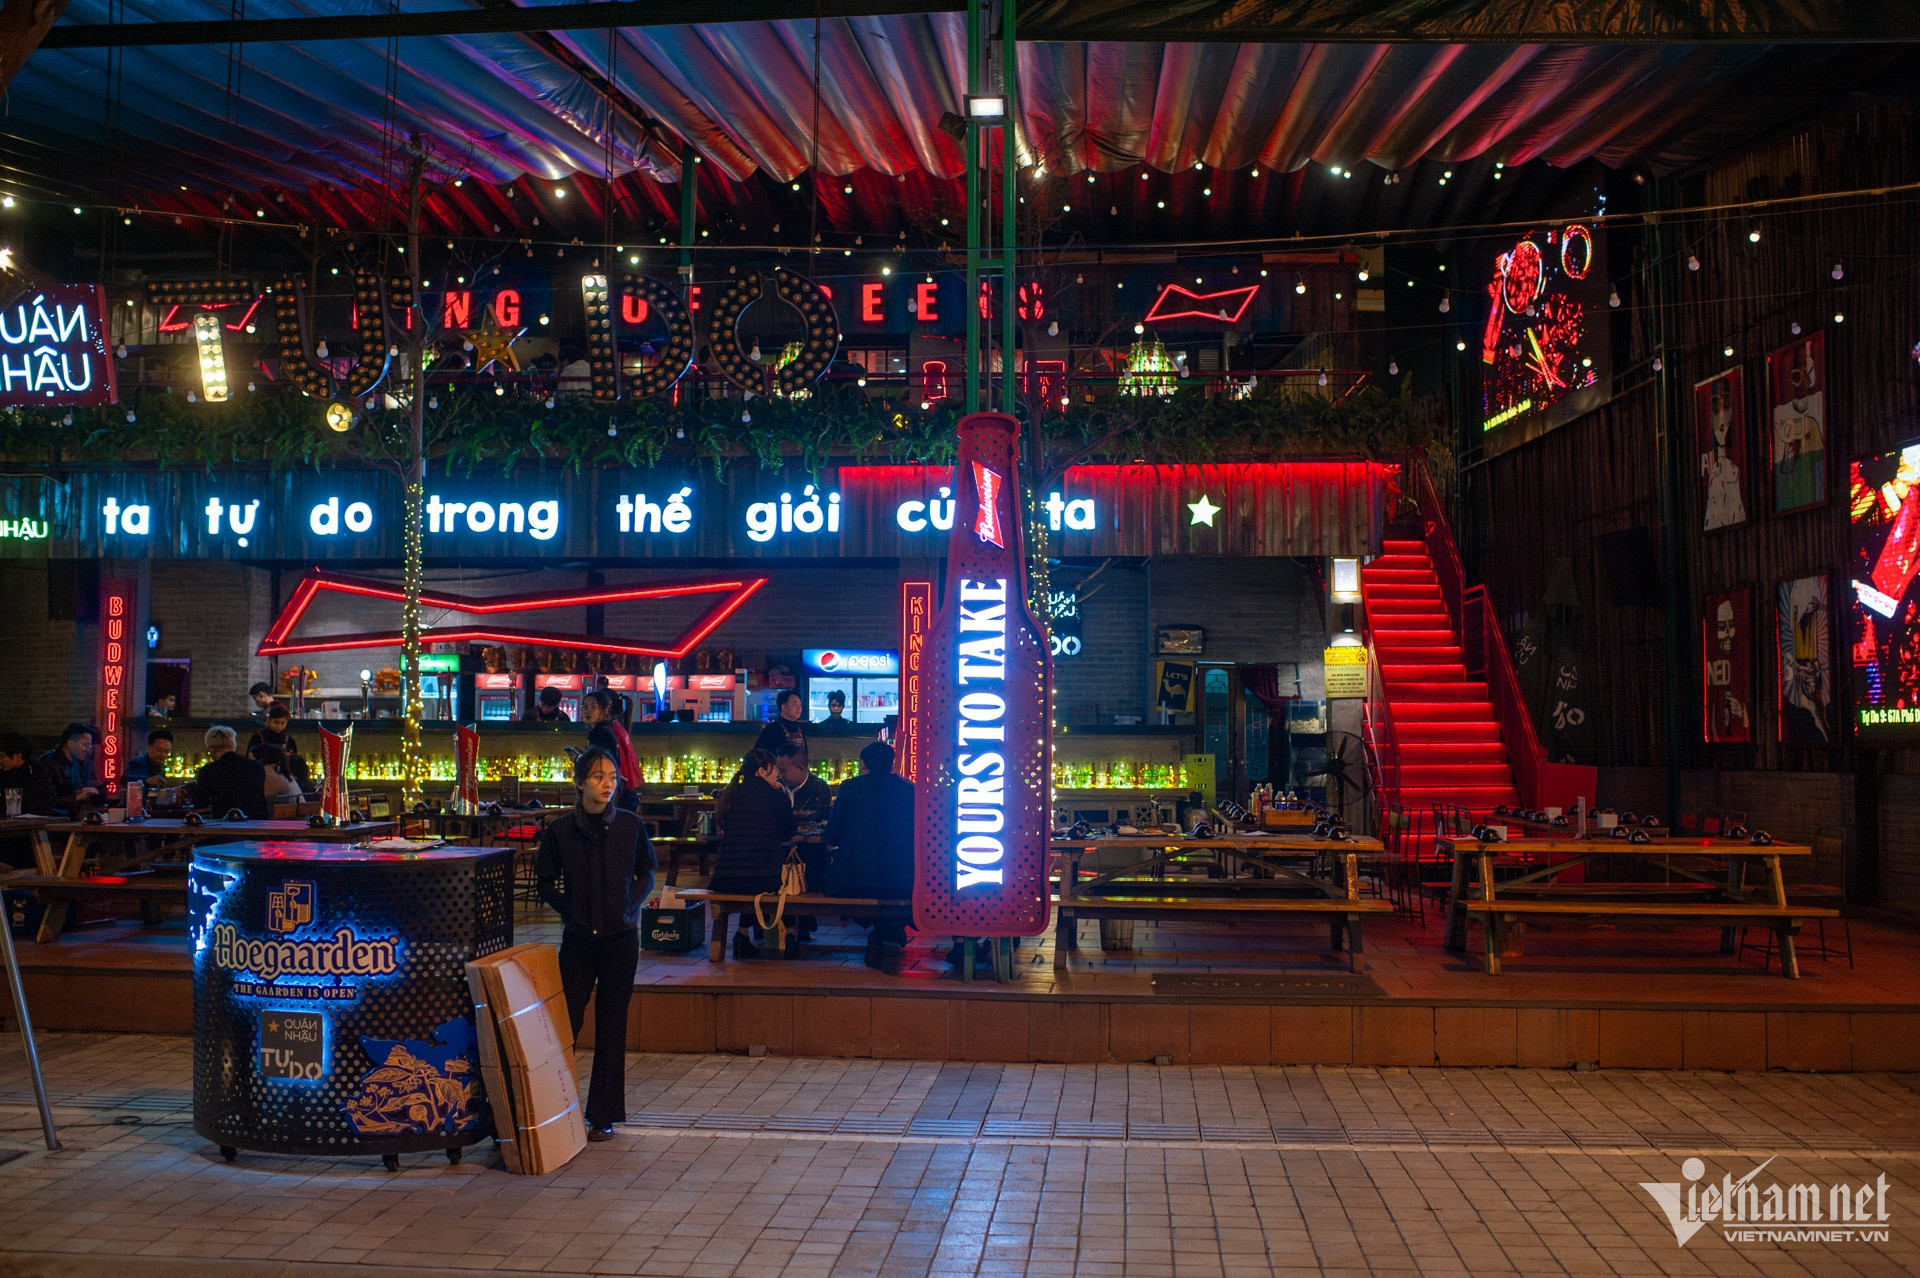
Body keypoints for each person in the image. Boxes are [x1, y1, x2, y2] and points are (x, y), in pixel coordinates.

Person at [534, 748, 654, 1143]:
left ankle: (602, 1115)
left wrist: (630, 908)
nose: (607, 784)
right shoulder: (561, 830)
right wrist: (572, 911)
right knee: (566, 1022)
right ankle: (555, 1108)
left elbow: (646, 874)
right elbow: (546, 882)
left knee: (612, 1026)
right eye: (598, 776)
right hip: (580, 940)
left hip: (621, 940)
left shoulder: (631, 826)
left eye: (612, 777)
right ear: (579, 782)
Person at [823, 740, 916, 967]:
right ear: (892, 763)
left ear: (863, 763)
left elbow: (831, 836)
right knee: (888, 892)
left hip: (853, 881)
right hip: (901, 882)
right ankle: (887, 930)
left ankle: (881, 932)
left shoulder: (849, 788)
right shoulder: (909, 790)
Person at [708, 748, 796, 958]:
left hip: (724, 879)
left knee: (750, 876)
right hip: (765, 878)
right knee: (784, 883)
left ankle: (742, 933)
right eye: (773, 767)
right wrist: (783, 794)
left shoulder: (730, 795)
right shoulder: (776, 796)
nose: (777, 772)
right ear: (762, 769)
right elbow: (788, 831)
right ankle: (792, 933)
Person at [192, 725, 270, 818]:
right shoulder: (256, 766)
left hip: (225, 824)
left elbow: (200, 803)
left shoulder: (209, 770)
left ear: (211, 748)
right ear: (233, 744)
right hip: (256, 823)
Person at [0, 733, 55, 867]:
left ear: (18, 755)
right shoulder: (3, 773)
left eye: (2, 756)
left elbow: (38, 804)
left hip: (27, 831)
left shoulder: (34, 771)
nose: (0, 760)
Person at [581, 690, 641, 792]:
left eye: (594, 707)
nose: (588, 711)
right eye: (585, 707)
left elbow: (598, 764)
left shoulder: (599, 732)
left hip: (606, 790)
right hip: (619, 788)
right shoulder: (614, 728)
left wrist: (579, 759)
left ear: (607, 709)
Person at [33, 724, 99, 812]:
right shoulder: (47, 763)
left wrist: (96, 791)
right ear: (70, 743)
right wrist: (76, 797)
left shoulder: (85, 764)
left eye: (90, 746)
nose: (88, 749)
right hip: (55, 818)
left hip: (79, 815)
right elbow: (44, 799)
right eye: (85, 745)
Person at [247, 702, 311, 789]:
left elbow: (294, 762)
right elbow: (249, 758)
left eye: (283, 723)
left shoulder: (289, 740)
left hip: (283, 776)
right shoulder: (258, 737)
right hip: (261, 775)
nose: (279, 726)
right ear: (269, 721)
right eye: (276, 723)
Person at [774, 741, 832, 822]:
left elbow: (820, 819)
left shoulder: (820, 788)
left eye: (783, 771)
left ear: (801, 769)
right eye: (777, 771)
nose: (779, 775)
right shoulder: (775, 786)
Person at [753, 689, 807, 756]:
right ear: (784, 707)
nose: (799, 708)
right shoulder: (772, 730)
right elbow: (761, 755)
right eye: (795, 704)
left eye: (800, 705)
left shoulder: (799, 729)